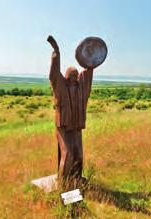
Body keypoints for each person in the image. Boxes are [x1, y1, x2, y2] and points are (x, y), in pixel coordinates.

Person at [47, 35, 93, 182]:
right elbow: (54, 74)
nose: (74, 79)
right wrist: (56, 52)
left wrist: (91, 61)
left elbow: (88, 74)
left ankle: (77, 179)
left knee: (78, 154)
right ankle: (64, 185)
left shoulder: (82, 89)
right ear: (65, 78)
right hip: (64, 126)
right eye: (70, 76)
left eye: (76, 76)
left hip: (76, 126)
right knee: (68, 154)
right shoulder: (60, 86)